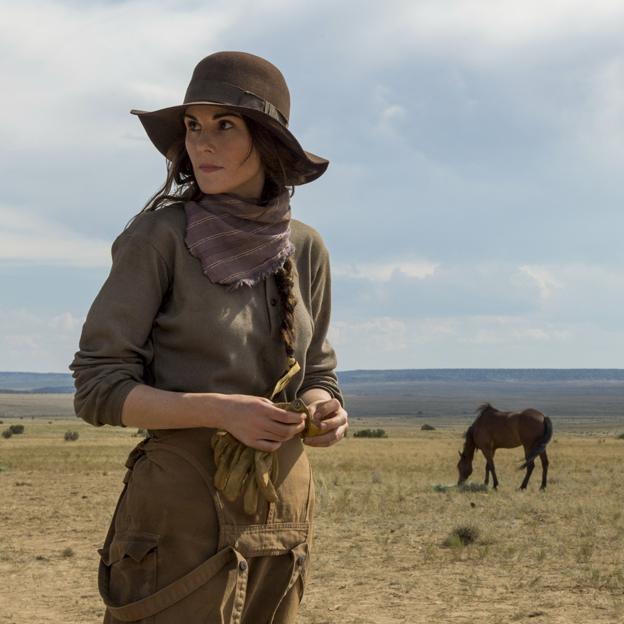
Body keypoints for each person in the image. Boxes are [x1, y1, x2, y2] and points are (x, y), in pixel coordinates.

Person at [70, 51, 348, 624]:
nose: (202, 143)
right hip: (180, 515)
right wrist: (221, 411)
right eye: (193, 126)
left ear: (267, 142)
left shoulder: (307, 247)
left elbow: (318, 374)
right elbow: (98, 386)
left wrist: (325, 408)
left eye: (225, 125)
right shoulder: (158, 239)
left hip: (284, 513)